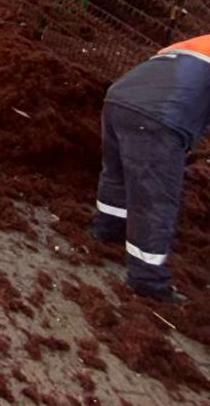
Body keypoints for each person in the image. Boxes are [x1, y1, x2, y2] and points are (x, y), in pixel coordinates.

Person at [88, 35, 209, 303]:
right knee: (156, 200)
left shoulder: (198, 43)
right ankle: (147, 279)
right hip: (160, 117)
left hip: (119, 99)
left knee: (117, 175)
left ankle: (106, 230)